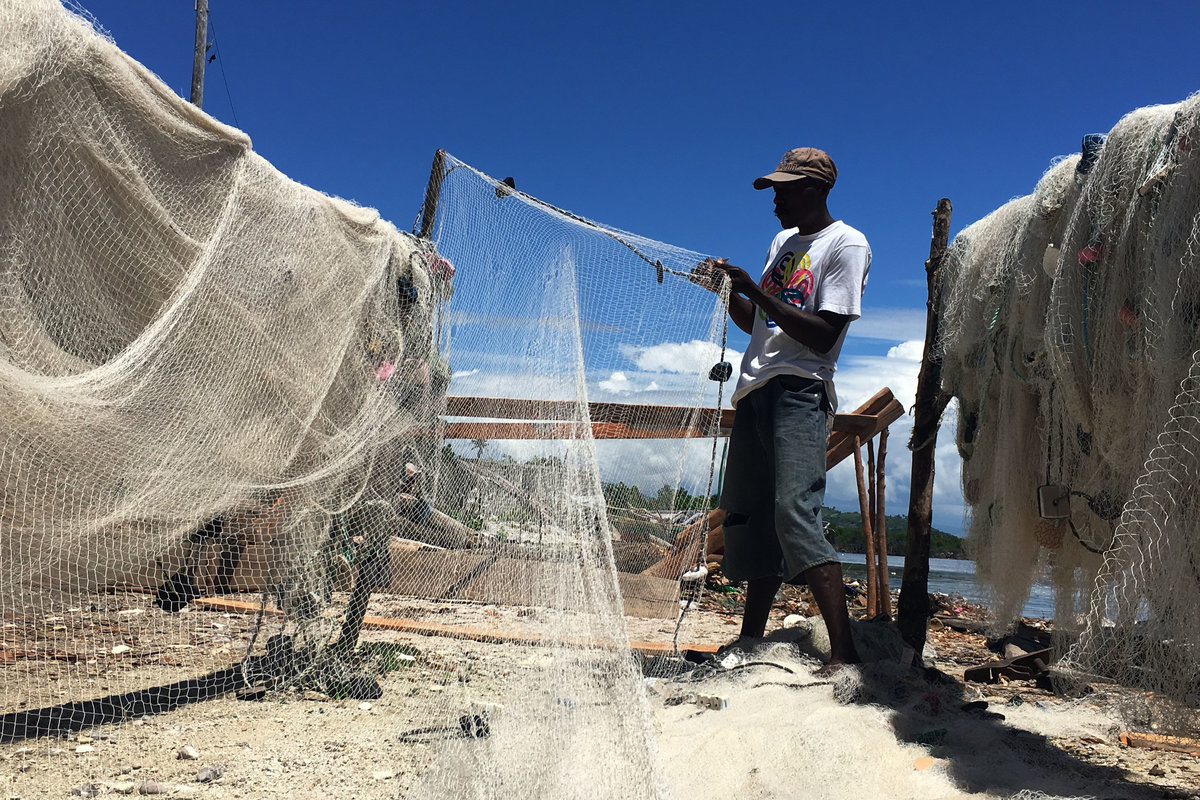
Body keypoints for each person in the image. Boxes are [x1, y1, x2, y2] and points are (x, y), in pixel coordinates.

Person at [692, 147, 871, 672]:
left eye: (785, 189)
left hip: (799, 390)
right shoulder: (781, 242)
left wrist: (757, 290)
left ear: (816, 190)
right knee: (755, 516)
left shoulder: (846, 244)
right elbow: (758, 326)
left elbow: (822, 336)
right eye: (774, 189)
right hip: (753, 392)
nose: (775, 200)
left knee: (795, 510)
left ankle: (845, 654)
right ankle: (749, 641)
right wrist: (730, 290)